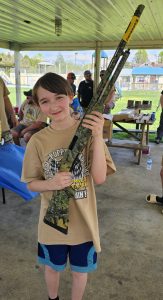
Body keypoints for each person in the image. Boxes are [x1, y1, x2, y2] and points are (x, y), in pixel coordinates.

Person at [21, 72, 116, 300]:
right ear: (37, 105)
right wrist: (51, 183)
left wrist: (96, 136)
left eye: (59, 97)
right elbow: (30, 185)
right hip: (51, 224)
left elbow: (100, 178)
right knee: (52, 267)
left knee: (79, 272)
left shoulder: (88, 131)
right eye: (45, 101)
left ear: (71, 96)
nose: (54, 105)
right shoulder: (38, 140)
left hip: (83, 221)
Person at [0, 76, 17, 144]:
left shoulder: (0, 80)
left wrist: (13, 115)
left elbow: (5, 98)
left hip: (4, 128)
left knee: (10, 152)